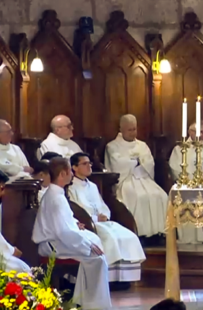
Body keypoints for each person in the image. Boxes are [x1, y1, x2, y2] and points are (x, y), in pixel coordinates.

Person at [32, 157, 113, 310]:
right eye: (69, 171)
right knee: (97, 258)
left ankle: (85, 299)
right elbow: (64, 231)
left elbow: (64, 222)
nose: (71, 174)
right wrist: (87, 246)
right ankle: (92, 304)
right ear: (62, 174)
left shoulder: (56, 194)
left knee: (95, 247)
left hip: (58, 240)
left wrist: (75, 223)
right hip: (52, 245)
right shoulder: (56, 198)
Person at [69, 152, 146, 282]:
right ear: (75, 167)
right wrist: (94, 218)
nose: (89, 166)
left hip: (102, 221)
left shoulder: (92, 186)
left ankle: (123, 279)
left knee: (128, 236)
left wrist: (105, 215)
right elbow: (75, 209)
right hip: (90, 224)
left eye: (90, 163)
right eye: (84, 164)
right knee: (110, 238)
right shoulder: (71, 187)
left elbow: (102, 205)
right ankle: (108, 279)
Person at [105, 114, 167, 238]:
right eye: (130, 130)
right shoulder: (112, 146)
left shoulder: (142, 145)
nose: (133, 133)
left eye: (135, 129)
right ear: (121, 129)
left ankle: (160, 233)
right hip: (126, 180)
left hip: (144, 178)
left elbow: (149, 162)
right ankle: (140, 234)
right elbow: (118, 164)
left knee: (161, 196)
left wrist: (134, 162)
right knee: (139, 197)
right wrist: (136, 162)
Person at [169, 121, 203, 244]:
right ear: (190, 132)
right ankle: (189, 236)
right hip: (188, 186)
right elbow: (176, 168)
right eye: (197, 132)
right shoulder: (180, 149)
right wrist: (192, 179)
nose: (200, 135)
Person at [0, 169, 32, 273]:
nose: (3, 192)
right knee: (22, 269)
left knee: (22, 267)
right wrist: (11, 250)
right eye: (1, 188)